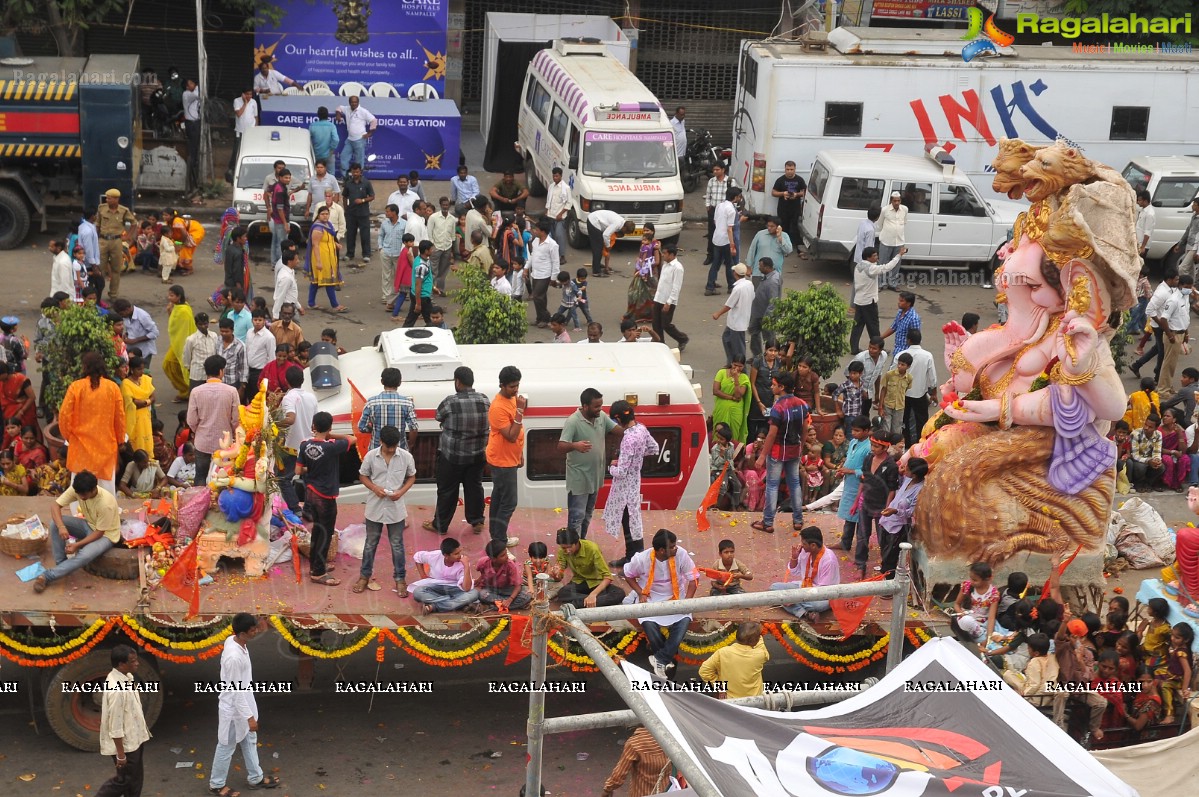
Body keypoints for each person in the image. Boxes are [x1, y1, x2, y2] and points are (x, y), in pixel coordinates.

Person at [209, 613, 280, 795]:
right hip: (234, 710)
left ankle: (255, 778)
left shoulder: (234, 641)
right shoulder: (234, 657)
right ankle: (216, 785)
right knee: (226, 746)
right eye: (253, 629)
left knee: (249, 741)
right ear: (243, 633)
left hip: (244, 704)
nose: (256, 631)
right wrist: (249, 718)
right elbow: (235, 691)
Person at [622, 529, 699, 679]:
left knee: (684, 620)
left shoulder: (681, 554)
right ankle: (664, 659)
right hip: (651, 597)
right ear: (662, 550)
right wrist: (640, 593)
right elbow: (628, 575)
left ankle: (660, 659)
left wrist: (687, 601)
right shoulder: (642, 559)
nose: (675, 548)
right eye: (672, 546)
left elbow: (694, 579)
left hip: (676, 596)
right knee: (648, 623)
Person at [424, 366, 489, 537]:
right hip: (477, 455)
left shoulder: (450, 402)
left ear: (458, 382)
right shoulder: (484, 400)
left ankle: (440, 525)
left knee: (447, 491)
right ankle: (477, 521)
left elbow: (438, 416)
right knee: (474, 487)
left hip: (452, 456)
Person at [354, 424, 417, 596]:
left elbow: (412, 477)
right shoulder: (370, 456)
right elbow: (363, 475)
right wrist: (374, 488)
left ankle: (400, 580)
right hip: (375, 507)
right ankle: (364, 577)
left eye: (393, 447)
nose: (390, 450)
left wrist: (401, 492)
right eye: (388, 447)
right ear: (380, 441)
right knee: (370, 544)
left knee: (397, 545)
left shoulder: (406, 457)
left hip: (396, 508)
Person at [33, 471, 121, 593]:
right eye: (79, 494)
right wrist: (61, 526)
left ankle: (47, 576)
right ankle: (62, 564)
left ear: (93, 489)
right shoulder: (78, 489)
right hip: (88, 524)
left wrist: (77, 545)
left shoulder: (106, 503)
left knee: (85, 555)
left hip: (106, 535)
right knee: (55, 524)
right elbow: (55, 506)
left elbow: (100, 532)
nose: (81, 497)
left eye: (84, 495)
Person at [297, 412, 352, 586]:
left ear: (313, 426)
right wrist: (330, 434)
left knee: (317, 531)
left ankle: (316, 566)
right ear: (329, 427)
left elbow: (298, 471)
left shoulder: (304, 445)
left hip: (311, 493)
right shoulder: (332, 446)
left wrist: (312, 470)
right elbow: (352, 439)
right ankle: (319, 572)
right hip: (326, 495)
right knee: (325, 533)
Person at [603, 400, 661, 567]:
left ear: (619, 419)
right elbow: (654, 448)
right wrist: (637, 458)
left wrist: (611, 467)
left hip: (624, 489)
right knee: (632, 521)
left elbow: (621, 472)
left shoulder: (628, 438)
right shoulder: (641, 429)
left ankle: (633, 560)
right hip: (635, 484)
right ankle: (632, 557)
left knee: (628, 523)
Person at [58, 352, 125, 494]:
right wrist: (120, 441)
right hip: (106, 447)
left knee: (80, 486)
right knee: (105, 489)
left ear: (84, 367)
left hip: (80, 447)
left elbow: (64, 415)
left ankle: (79, 515)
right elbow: (119, 418)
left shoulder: (76, 387)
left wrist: (69, 436)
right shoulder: (113, 388)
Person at [559, 388, 620, 539]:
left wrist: (634, 429)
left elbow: (618, 430)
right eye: (596, 406)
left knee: (587, 516)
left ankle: (582, 544)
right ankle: (573, 549)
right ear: (585, 406)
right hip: (579, 479)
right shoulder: (573, 421)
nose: (600, 409)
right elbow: (560, 446)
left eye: (601, 405)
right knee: (576, 517)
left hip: (595, 478)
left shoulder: (601, 417)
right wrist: (575, 446)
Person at [753, 370, 808, 534]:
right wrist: (801, 446)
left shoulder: (778, 408)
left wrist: (762, 456)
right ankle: (798, 520)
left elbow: (771, 434)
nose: (771, 387)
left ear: (782, 387)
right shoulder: (802, 404)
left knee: (772, 485)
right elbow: (805, 428)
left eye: (774, 384)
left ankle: (768, 522)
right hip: (794, 450)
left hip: (777, 452)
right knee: (794, 484)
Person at [95, 644, 151, 797]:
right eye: (132, 661)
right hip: (126, 746)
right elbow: (116, 726)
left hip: (135, 739)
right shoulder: (117, 689)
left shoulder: (125, 677)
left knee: (135, 779)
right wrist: (121, 754)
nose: (137, 664)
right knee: (124, 780)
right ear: (121, 664)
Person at [486, 366, 525, 548]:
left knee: (499, 499)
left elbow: (517, 434)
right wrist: (519, 412)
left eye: (517, 385)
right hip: (502, 461)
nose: (516, 390)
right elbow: (510, 435)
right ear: (502, 385)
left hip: (509, 458)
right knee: (509, 502)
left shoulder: (511, 399)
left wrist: (520, 453)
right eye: (512, 387)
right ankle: (499, 542)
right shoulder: (498, 407)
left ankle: (497, 537)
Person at [187, 355, 240, 487]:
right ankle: (221, 504)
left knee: (200, 475)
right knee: (224, 476)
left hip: (203, 441)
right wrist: (232, 433)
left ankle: (199, 503)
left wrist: (198, 431)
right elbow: (236, 420)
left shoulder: (196, 392)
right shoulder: (232, 391)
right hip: (225, 443)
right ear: (221, 371)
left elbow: (191, 420)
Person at [852, 431, 899, 577]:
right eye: (872, 445)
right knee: (862, 535)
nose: (873, 448)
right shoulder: (868, 458)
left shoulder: (890, 465)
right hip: (866, 502)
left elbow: (892, 489)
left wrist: (886, 507)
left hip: (881, 506)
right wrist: (856, 501)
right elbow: (863, 480)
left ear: (885, 448)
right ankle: (861, 564)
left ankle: (886, 566)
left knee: (882, 538)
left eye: (876, 446)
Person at [769, 526, 839, 621]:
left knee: (816, 606)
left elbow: (823, 591)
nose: (801, 545)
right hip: (803, 588)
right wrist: (794, 557)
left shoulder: (829, 560)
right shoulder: (805, 551)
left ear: (813, 545)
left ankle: (795, 606)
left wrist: (794, 598)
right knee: (774, 588)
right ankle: (805, 613)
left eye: (804, 543)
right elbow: (795, 571)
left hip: (823, 596)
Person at [851, 246, 906, 355]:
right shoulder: (872, 268)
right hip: (869, 302)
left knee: (857, 325)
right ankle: (878, 348)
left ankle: (854, 348)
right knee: (874, 327)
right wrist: (899, 255)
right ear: (868, 257)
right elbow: (887, 267)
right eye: (875, 256)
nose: (877, 257)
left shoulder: (858, 266)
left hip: (859, 300)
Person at [556, 527, 625, 608]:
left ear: (577, 542)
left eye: (569, 547)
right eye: (564, 548)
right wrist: (556, 574)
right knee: (563, 593)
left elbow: (607, 577)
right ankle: (590, 602)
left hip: (597, 582)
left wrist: (593, 594)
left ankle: (579, 603)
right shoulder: (562, 550)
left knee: (619, 593)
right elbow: (559, 575)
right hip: (579, 582)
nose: (567, 551)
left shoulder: (592, 549)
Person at [277, 367, 316, 511]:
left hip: (292, 447)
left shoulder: (289, 397)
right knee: (309, 479)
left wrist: (271, 423)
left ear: (286, 381)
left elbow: (290, 419)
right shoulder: (311, 397)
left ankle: (295, 508)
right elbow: (314, 422)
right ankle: (311, 509)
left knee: (283, 478)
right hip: (309, 444)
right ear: (303, 380)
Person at [699, 621, 769, 699]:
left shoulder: (723, 652)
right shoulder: (760, 655)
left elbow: (704, 671)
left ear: (737, 635)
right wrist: (757, 634)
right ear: (755, 640)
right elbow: (761, 645)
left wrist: (720, 687)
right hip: (755, 700)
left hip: (730, 701)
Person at [411, 537, 480, 614]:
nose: (460, 556)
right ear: (446, 555)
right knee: (417, 592)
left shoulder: (463, 562)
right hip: (435, 586)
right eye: (456, 554)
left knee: (474, 594)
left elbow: (466, 588)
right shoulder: (434, 555)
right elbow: (418, 557)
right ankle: (458, 604)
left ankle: (434, 607)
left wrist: (466, 566)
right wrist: (422, 575)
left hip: (455, 588)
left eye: (460, 552)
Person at [1132, 269, 1179, 382]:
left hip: (1162, 324)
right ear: (1169, 279)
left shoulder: (1169, 289)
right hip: (1159, 327)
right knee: (1162, 352)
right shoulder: (1162, 293)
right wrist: (1161, 324)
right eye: (1176, 279)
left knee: (1157, 349)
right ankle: (1157, 376)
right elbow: (1150, 310)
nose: (1178, 281)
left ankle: (1136, 365)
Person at [358, 367, 418, 453]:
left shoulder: (371, 402)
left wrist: (372, 429)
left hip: (376, 450)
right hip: (399, 449)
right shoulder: (407, 403)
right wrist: (411, 445)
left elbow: (361, 427)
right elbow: (414, 429)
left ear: (382, 381)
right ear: (399, 383)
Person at [600, 727, 672, 797]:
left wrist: (607, 790)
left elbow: (619, 774)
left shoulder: (635, 743)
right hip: (667, 791)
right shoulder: (671, 737)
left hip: (641, 793)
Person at [899, 329, 937, 447]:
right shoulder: (927, 355)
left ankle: (908, 444)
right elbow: (933, 378)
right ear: (920, 340)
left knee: (904, 420)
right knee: (922, 419)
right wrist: (934, 393)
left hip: (903, 394)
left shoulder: (901, 355)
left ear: (908, 340)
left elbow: (892, 373)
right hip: (920, 394)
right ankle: (922, 444)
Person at [306, 205, 348, 312]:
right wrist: (319, 262)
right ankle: (335, 305)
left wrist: (336, 244)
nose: (325, 216)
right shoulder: (318, 228)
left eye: (327, 214)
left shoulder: (328, 225)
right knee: (329, 281)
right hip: (321, 257)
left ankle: (311, 303)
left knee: (316, 281)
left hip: (329, 256)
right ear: (318, 215)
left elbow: (328, 240)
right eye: (322, 214)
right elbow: (315, 245)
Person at [97, 188, 136, 301]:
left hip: (117, 241)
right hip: (103, 241)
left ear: (116, 199)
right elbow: (97, 224)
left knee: (116, 269)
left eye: (109, 198)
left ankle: (113, 295)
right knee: (100, 269)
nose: (107, 200)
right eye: (107, 198)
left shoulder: (124, 211)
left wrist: (128, 236)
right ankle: (98, 294)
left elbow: (134, 223)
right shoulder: (101, 208)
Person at [1157, 274, 1192, 396]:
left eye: (1190, 287)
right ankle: (1162, 390)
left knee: (1172, 363)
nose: (1189, 289)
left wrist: (1186, 333)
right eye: (1187, 287)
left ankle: (1168, 386)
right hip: (1173, 334)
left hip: (1181, 333)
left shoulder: (1185, 296)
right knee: (1168, 364)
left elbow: (1185, 316)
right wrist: (1170, 335)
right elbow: (1163, 319)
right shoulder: (1173, 300)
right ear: (1180, 285)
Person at [712, 263, 754, 364]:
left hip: (737, 322)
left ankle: (740, 368)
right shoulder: (749, 284)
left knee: (738, 347)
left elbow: (729, 305)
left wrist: (718, 313)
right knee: (726, 339)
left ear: (735, 274)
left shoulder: (737, 288)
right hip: (738, 320)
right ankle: (731, 362)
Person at [651, 242, 688, 351]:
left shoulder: (678, 268)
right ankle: (660, 342)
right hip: (659, 298)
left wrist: (669, 302)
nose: (663, 255)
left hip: (668, 301)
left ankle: (682, 338)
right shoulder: (665, 265)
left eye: (665, 253)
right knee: (656, 323)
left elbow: (676, 287)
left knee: (665, 324)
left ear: (672, 255)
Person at [475, 539, 532, 610]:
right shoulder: (483, 562)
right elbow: (482, 571)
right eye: (502, 555)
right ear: (493, 559)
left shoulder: (511, 565)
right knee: (481, 594)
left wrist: (510, 599)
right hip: (491, 589)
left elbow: (518, 586)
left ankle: (490, 607)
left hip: (507, 589)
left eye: (506, 553)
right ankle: (508, 605)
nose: (507, 557)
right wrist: (479, 579)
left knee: (527, 595)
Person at [712, 355, 752, 445]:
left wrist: (736, 379)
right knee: (719, 431)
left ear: (744, 366)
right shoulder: (721, 373)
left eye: (740, 366)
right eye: (735, 365)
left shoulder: (744, 378)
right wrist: (731, 397)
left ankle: (732, 455)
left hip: (736, 411)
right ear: (731, 363)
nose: (737, 368)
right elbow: (715, 391)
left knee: (734, 434)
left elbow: (738, 396)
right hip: (721, 409)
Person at [706, 186, 740, 294]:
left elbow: (716, 221)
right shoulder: (731, 210)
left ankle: (710, 286)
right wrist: (732, 245)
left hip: (717, 238)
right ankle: (731, 286)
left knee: (715, 263)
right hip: (726, 240)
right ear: (735, 197)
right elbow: (730, 229)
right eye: (739, 197)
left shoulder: (719, 206)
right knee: (730, 264)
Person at [527, 219, 559, 327]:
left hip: (545, 274)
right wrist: (527, 268)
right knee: (541, 297)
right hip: (535, 273)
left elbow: (556, 262)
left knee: (536, 296)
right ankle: (539, 318)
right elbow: (532, 256)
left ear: (543, 232)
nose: (535, 231)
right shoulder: (536, 241)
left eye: (537, 229)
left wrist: (554, 277)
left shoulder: (552, 245)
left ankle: (546, 317)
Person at [335, 96, 377, 178]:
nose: (354, 104)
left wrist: (369, 133)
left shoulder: (363, 111)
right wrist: (338, 115)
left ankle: (359, 178)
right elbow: (339, 107)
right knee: (344, 157)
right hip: (349, 140)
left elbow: (374, 120)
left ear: (358, 102)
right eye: (352, 102)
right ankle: (346, 177)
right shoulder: (347, 109)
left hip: (360, 140)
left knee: (359, 161)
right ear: (349, 102)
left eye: (355, 102)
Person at [121, 355, 155, 456]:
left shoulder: (146, 379)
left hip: (145, 416)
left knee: (147, 438)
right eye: (138, 369)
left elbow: (153, 397)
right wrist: (147, 401)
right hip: (133, 418)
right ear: (131, 369)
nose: (141, 371)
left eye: (142, 369)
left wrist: (144, 402)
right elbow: (132, 403)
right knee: (136, 441)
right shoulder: (126, 383)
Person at [341, 162, 375, 263]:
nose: (355, 174)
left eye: (357, 172)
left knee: (365, 235)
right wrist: (345, 208)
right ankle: (350, 254)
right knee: (350, 234)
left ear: (360, 172)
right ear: (351, 172)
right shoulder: (348, 183)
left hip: (363, 213)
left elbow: (372, 196)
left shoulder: (366, 182)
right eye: (353, 172)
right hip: (351, 213)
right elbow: (344, 196)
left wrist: (363, 200)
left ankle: (366, 254)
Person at [113, 299, 159, 371]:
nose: (122, 316)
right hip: (132, 351)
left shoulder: (143, 316)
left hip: (144, 352)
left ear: (127, 309)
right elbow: (131, 328)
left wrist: (135, 340)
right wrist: (127, 334)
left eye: (122, 314)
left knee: (142, 374)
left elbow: (155, 333)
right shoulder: (127, 316)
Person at [703, 162, 734, 266]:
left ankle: (726, 257)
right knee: (712, 232)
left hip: (725, 211)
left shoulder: (730, 181)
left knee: (726, 232)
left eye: (717, 170)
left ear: (723, 170)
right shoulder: (711, 181)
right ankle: (710, 255)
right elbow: (708, 195)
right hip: (713, 209)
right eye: (714, 170)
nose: (715, 172)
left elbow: (735, 195)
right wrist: (708, 205)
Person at [588, 210, 633, 278]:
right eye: (626, 232)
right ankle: (596, 271)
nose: (625, 234)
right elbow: (606, 235)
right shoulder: (617, 224)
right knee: (598, 247)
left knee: (598, 245)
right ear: (624, 228)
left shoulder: (621, 222)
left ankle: (596, 264)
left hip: (596, 219)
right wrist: (608, 246)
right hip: (594, 221)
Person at [771, 161, 806, 248]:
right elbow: (773, 192)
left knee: (795, 227)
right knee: (783, 227)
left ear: (795, 169)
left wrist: (796, 195)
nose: (789, 171)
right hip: (783, 208)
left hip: (795, 208)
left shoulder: (800, 180)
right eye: (787, 169)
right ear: (785, 169)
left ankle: (796, 246)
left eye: (791, 169)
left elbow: (804, 192)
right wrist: (783, 193)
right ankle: (783, 245)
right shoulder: (780, 180)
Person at [182, 312, 220, 392]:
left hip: (211, 375)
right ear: (196, 324)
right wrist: (189, 368)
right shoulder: (191, 339)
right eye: (200, 324)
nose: (203, 326)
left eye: (205, 324)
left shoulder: (214, 336)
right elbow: (186, 357)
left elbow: (217, 352)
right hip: (197, 375)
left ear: (208, 323)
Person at [401, 240, 435, 327]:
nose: (433, 251)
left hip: (420, 295)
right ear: (426, 251)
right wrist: (418, 303)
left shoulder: (420, 259)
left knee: (412, 319)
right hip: (422, 297)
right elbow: (418, 284)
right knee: (432, 319)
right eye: (431, 249)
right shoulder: (421, 266)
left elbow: (426, 277)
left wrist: (433, 286)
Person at [1127, 414, 1164, 491]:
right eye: (1146, 425)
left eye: (1150, 427)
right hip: (1137, 460)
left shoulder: (1158, 434)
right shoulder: (1136, 434)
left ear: (1156, 428)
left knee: (1161, 467)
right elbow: (1135, 455)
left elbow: (1157, 452)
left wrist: (1157, 460)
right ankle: (1138, 484)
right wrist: (1148, 461)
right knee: (1141, 467)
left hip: (1149, 459)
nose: (1146, 428)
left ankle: (1148, 483)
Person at [378, 204, 405, 309]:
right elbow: (381, 236)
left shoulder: (404, 224)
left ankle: (397, 295)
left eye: (388, 211)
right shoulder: (385, 224)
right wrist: (381, 247)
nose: (386, 213)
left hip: (399, 254)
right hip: (386, 252)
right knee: (386, 275)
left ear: (394, 212)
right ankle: (386, 296)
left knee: (398, 276)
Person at [882, 290, 921, 357]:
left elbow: (915, 339)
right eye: (899, 300)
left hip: (906, 353)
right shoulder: (900, 312)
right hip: (897, 350)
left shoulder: (914, 318)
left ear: (908, 303)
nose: (899, 303)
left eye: (901, 301)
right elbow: (894, 327)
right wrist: (881, 338)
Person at [215, 317, 247, 399]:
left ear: (232, 331)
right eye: (222, 331)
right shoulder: (217, 341)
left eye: (226, 331)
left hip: (232, 383)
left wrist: (242, 388)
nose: (224, 334)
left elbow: (243, 368)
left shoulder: (240, 346)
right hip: (218, 382)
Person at [876, 191, 907, 268]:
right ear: (891, 201)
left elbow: (904, 222)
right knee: (883, 264)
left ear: (900, 201)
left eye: (898, 201)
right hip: (886, 242)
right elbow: (879, 224)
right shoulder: (885, 210)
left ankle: (893, 280)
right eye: (895, 201)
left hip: (899, 243)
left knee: (896, 265)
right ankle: (882, 280)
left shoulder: (905, 209)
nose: (896, 203)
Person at [546, 166, 572, 257]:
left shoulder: (566, 188)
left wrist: (560, 214)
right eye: (554, 176)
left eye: (556, 176)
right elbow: (549, 200)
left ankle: (562, 256)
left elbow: (569, 204)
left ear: (561, 176)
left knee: (559, 235)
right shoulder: (551, 186)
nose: (555, 178)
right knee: (552, 236)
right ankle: (554, 255)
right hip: (551, 215)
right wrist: (547, 211)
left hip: (560, 217)